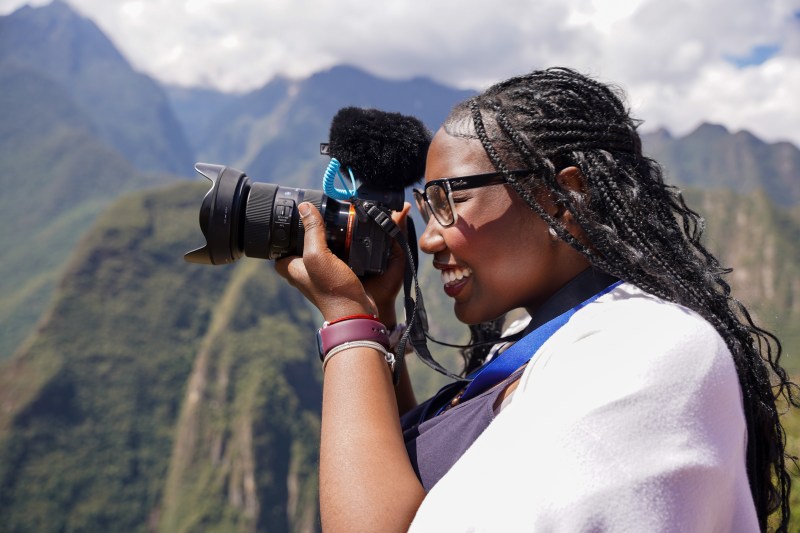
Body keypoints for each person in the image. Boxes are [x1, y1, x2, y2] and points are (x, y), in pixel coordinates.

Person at [275, 67, 797, 532]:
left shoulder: (650, 352)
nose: (430, 237)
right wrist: (380, 318)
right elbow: (418, 485)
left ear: (562, 195)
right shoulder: (534, 339)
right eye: (425, 205)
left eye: (451, 201)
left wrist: (348, 324)